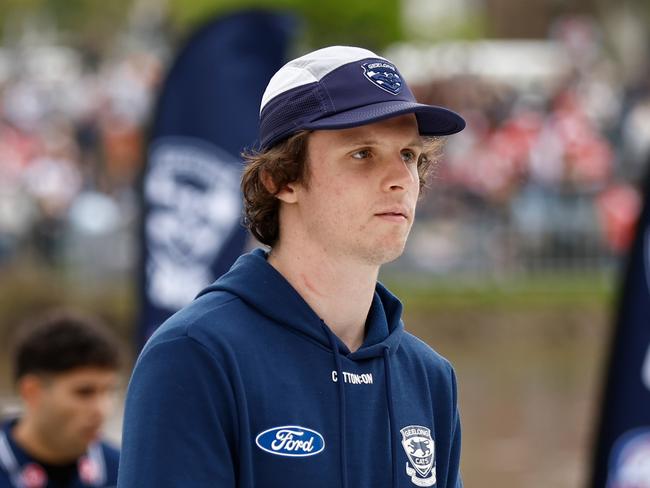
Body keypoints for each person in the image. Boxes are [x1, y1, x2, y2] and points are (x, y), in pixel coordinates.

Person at [118, 45, 466, 488]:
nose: (400, 178)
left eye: (409, 155)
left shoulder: (429, 377)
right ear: (280, 179)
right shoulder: (195, 355)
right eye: (362, 153)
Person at [1, 310, 122, 488]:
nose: (102, 409)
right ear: (31, 391)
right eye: (85, 392)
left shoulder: (123, 473)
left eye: (108, 391)